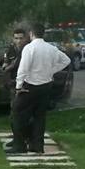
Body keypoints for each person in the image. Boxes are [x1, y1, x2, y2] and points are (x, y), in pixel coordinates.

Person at [9, 25, 71, 154]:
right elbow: (66, 60)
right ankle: (37, 145)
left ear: (31, 33)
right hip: (46, 85)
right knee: (39, 116)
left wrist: (18, 86)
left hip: (30, 85)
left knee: (17, 113)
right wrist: (52, 70)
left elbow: (23, 68)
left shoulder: (29, 48)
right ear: (43, 34)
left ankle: (19, 145)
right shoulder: (51, 49)